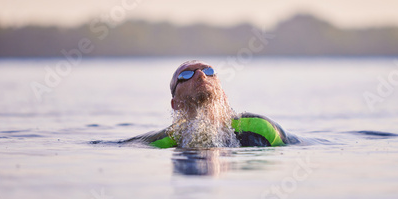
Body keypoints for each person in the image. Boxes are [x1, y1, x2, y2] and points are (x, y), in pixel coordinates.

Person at [127, 60, 299, 148]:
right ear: (175, 104)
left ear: (223, 94)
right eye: (186, 75)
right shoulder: (162, 142)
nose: (201, 75)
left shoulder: (260, 129)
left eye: (209, 71)